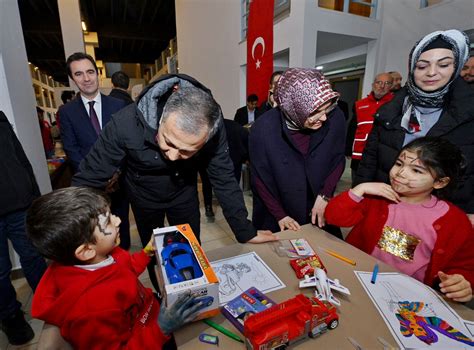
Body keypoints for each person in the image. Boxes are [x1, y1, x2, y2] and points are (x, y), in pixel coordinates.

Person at [71, 74, 276, 289]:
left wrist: (245, 230)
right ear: (161, 119)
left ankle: (191, 292)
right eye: (168, 142)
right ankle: (161, 295)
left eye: (187, 151)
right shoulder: (125, 123)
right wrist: (76, 233)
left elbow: (224, 177)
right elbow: (88, 178)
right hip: (143, 196)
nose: (172, 156)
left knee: (189, 252)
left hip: (183, 192)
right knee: (154, 255)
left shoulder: (211, 124)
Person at [26, 187, 205, 349]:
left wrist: (146, 253)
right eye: (108, 223)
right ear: (86, 250)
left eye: (111, 214)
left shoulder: (102, 254)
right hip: (150, 337)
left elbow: (123, 269)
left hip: (151, 313)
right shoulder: (91, 311)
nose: (118, 220)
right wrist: (161, 328)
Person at [326, 137, 473, 302]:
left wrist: (463, 283)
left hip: (406, 297)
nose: (400, 173)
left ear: (440, 182)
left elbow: (465, 265)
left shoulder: (455, 221)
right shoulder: (377, 197)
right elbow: (333, 217)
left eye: (416, 171)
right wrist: (360, 189)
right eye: (399, 164)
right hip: (357, 279)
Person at [354, 29, 474, 227]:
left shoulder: (468, 112)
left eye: (443, 64)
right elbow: (370, 160)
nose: (431, 72)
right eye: (422, 66)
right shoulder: (390, 112)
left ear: (457, 66)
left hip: (443, 215)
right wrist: (361, 194)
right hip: (389, 204)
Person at [249, 68, 345, 236]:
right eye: (315, 112)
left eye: (326, 109)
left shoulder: (335, 117)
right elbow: (260, 178)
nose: (323, 118)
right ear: (293, 107)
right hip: (278, 206)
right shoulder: (263, 129)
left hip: (317, 202)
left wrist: (325, 195)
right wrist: (280, 214)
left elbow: (337, 160)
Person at [59, 52, 131, 250]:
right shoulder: (66, 112)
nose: (86, 78)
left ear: (97, 73)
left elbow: (126, 143)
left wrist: (116, 174)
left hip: (119, 183)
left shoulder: (118, 105)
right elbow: (71, 149)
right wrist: (96, 178)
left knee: (121, 232)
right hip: (89, 187)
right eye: (79, 74)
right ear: (73, 78)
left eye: (90, 72)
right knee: (97, 236)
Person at [0, 111, 47, 345]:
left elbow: (21, 159)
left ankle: (47, 300)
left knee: (33, 255)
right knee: (0, 270)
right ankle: (10, 316)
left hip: (19, 204)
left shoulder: (0, 118)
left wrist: (35, 196)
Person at [345, 73, 394, 184]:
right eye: (379, 82)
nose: (382, 86)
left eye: (387, 83)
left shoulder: (395, 104)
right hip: (359, 154)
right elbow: (353, 127)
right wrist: (348, 148)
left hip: (382, 155)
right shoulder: (359, 104)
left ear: (391, 86)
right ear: (373, 85)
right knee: (357, 185)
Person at [199, 119, 249, 218]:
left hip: (208, 162)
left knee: (207, 184)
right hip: (234, 162)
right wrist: (244, 157)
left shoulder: (206, 127)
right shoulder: (236, 126)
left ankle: (208, 208)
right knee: (233, 186)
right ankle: (235, 209)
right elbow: (246, 141)